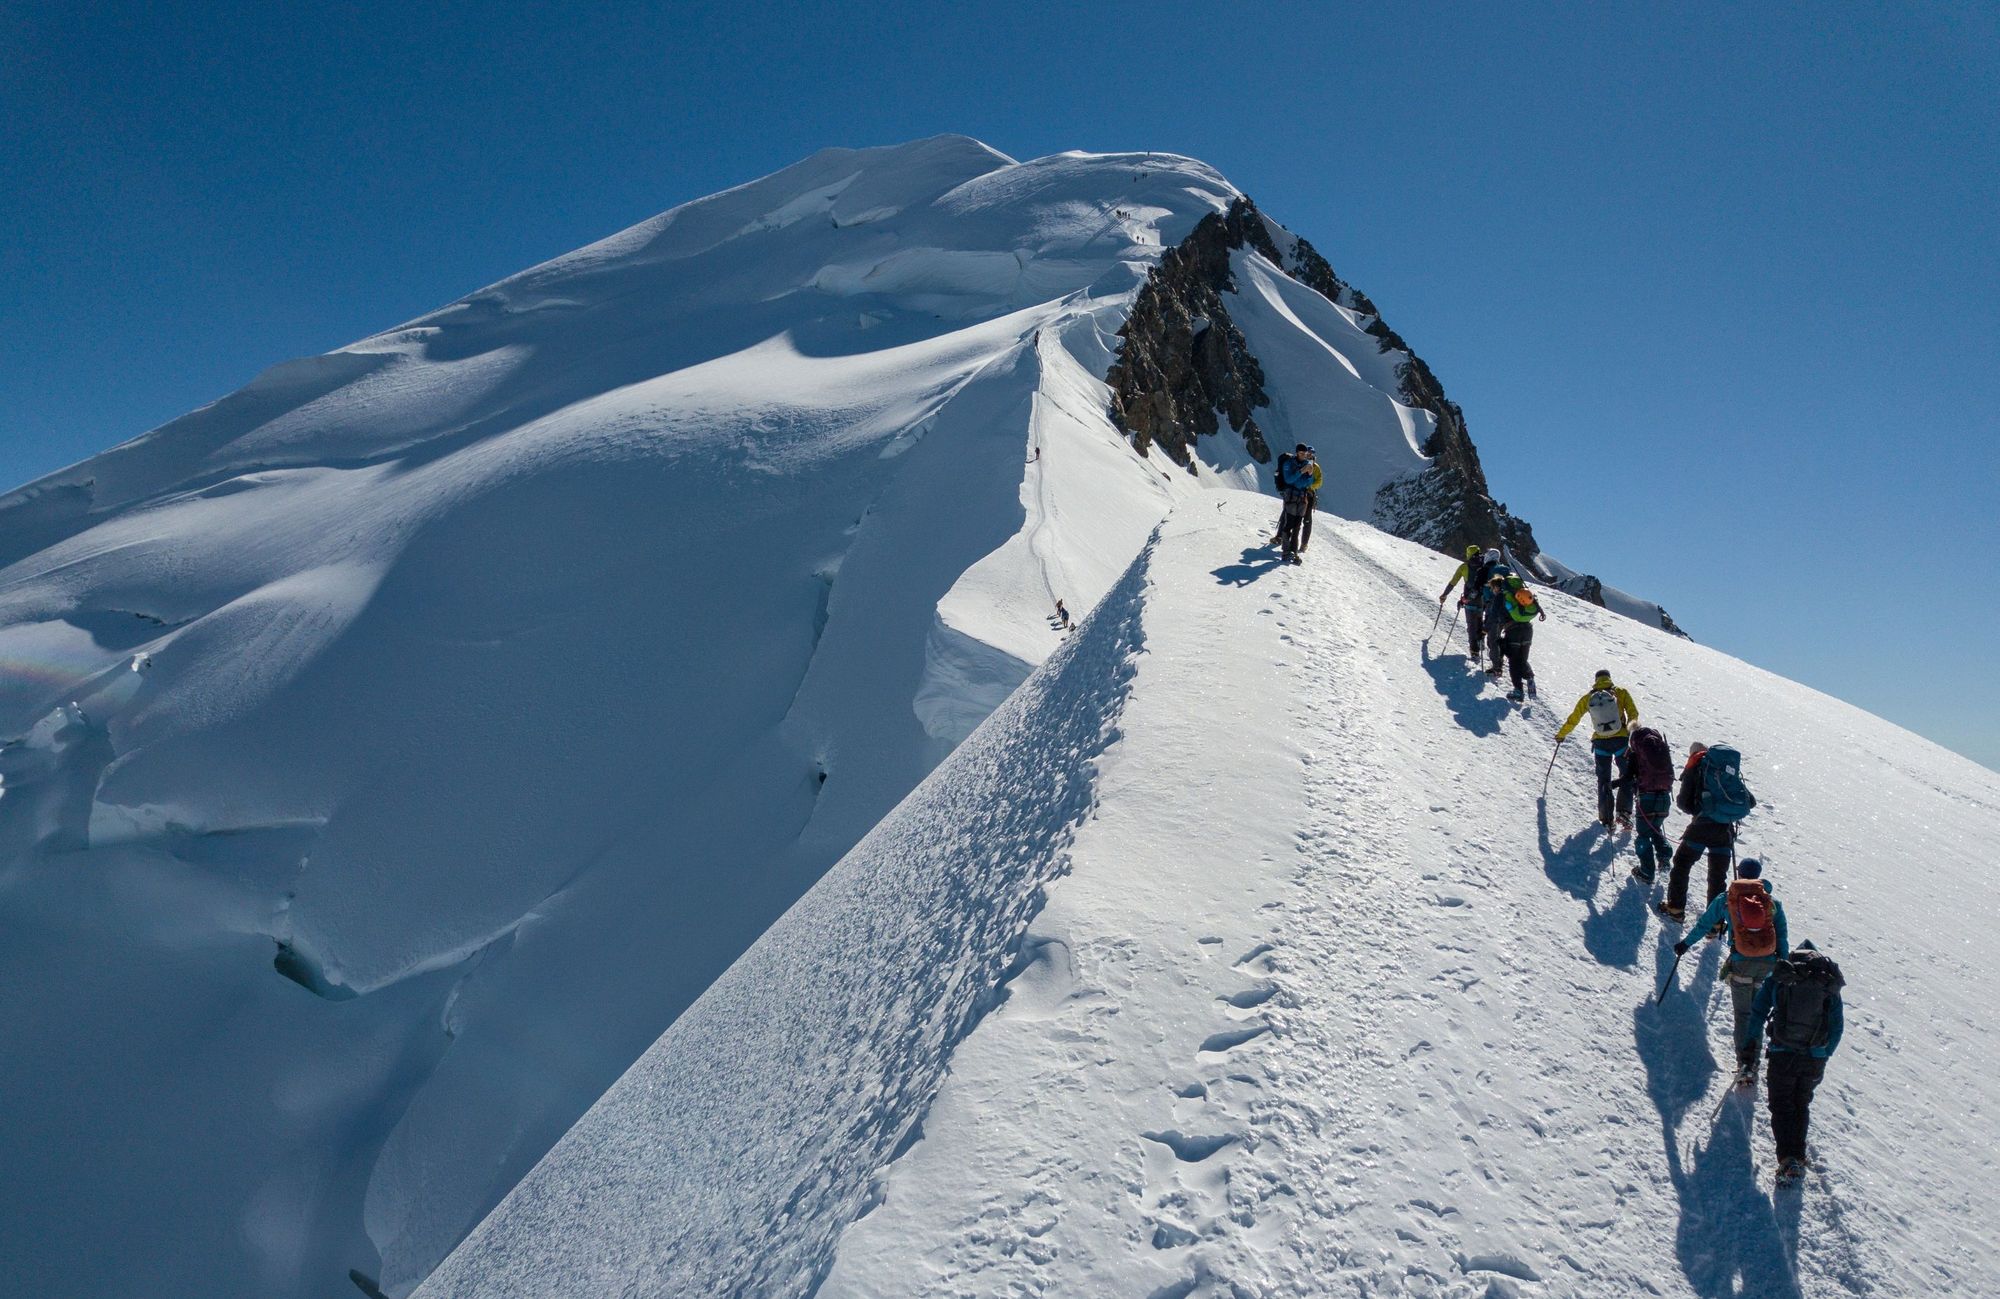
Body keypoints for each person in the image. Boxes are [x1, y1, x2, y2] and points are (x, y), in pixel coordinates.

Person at [1674, 857, 1789, 1084]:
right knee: (1757, 1014)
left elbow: (1705, 924)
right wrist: (1783, 966)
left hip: (1741, 962)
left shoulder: (1727, 900)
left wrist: (1685, 944)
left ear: (1739, 873)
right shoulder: (1772, 902)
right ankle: (1753, 1062)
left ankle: (1744, 1064)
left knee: (1743, 1015)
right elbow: (1782, 938)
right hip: (1767, 965)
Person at [1746, 941, 1844, 1184]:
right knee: (1801, 1104)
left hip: (1782, 1052)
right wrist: (1824, 1054)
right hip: (1813, 1056)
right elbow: (1837, 1026)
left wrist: (1750, 1047)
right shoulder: (1825, 980)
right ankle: (1797, 1158)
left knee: (1781, 1106)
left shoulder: (1781, 974)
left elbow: (1757, 1012)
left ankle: (1787, 1160)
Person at [1659, 741, 1757, 922]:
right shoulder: (1727, 773)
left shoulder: (1696, 769)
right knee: (1717, 877)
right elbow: (1750, 802)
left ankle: (1675, 908)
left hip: (1700, 828)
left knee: (1682, 863)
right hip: (1725, 833)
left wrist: (1702, 806)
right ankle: (1715, 923)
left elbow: (1683, 803)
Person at [1555, 669, 1640, 828]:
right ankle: (1624, 813)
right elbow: (1633, 713)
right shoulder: (1620, 693)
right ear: (1609, 678)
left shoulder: (1588, 698)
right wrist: (1630, 732)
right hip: (1621, 741)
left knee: (1603, 780)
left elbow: (1574, 719)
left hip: (1601, 744)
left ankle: (1606, 818)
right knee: (1627, 776)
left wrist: (1561, 735)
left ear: (1596, 680)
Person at [1626, 724, 1676, 883]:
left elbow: (1628, 775)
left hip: (1646, 797)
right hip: (1665, 797)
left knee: (1643, 836)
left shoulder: (1637, 751)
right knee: (1655, 829)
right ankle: (1664, 858)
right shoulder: (1660, 747)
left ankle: (1647, 871)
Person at [1438, 545, 1496, 662]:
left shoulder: (1464, 567)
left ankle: (1474, 651)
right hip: (1484, 599)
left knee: (1471, 625)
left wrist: (1444, 595)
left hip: (1469, 599)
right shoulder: (1484, 566)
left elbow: (1453, 582)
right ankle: (1481, 641)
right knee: (1480, 621)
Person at [1495, 573, 1545, 701]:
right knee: (1522, 659)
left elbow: (1497, 614)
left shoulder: (1505, 597)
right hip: (1528, 630)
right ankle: (1529, 677)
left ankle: (1518, 690)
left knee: (1513, 661)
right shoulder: (1524, 595)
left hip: (1513, 631)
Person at [1275, 446, 1321, 565]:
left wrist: (1309, 474)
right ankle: (1286, 551)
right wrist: (1302, 472)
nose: (1304, 455)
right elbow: (1289, 480)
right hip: (1291, 497)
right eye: (1301, 453)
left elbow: (1307, 483)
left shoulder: (1306, 464)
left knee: (1297, 526)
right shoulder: (1289, 464)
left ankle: (1293, 551)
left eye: (1305, 453)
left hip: (1301, 498)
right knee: (1289, 524)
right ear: (1297, 452)